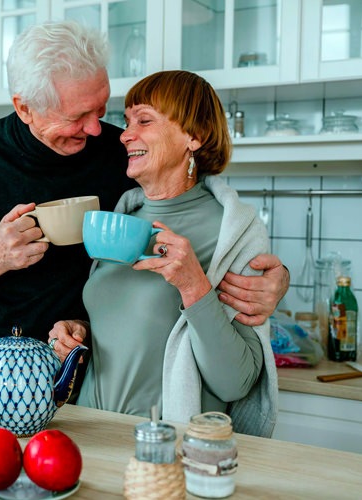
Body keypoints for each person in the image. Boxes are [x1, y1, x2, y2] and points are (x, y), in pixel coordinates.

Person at [0, 20, 288, 381]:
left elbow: (199, 203)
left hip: (90, 377)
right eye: (78, 115)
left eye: (101, 110)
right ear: (24, 108)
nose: (97, 129)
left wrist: (270, 279)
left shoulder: (120, 152)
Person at [48, 70, 278, 437]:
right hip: (86, 435)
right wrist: (80, 335)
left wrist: (194, 286)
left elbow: (237, 382)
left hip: (163, 447)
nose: (124, 134)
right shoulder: (121, 218)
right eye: (126, 121)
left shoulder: (233, 231)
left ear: (194, 136)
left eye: (144, 120)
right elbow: (133, 333)